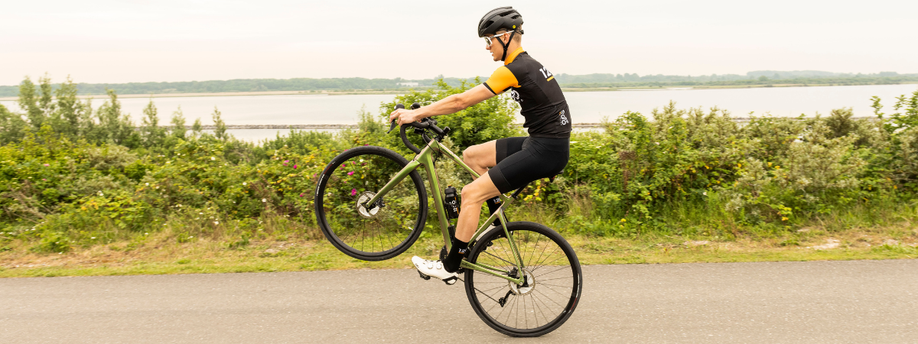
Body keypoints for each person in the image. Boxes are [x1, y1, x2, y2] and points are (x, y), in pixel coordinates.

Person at [389, 6, 572, 281]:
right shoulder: (528, 64)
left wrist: (416, 113)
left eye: (488, 41)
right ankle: (492, 228)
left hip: (546, 150)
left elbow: (461, 101)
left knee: (470, 194)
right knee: (473, 156)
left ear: (504, 36)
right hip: (544, 142)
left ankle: (451, 265)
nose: (487, 48)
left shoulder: (514, 69)